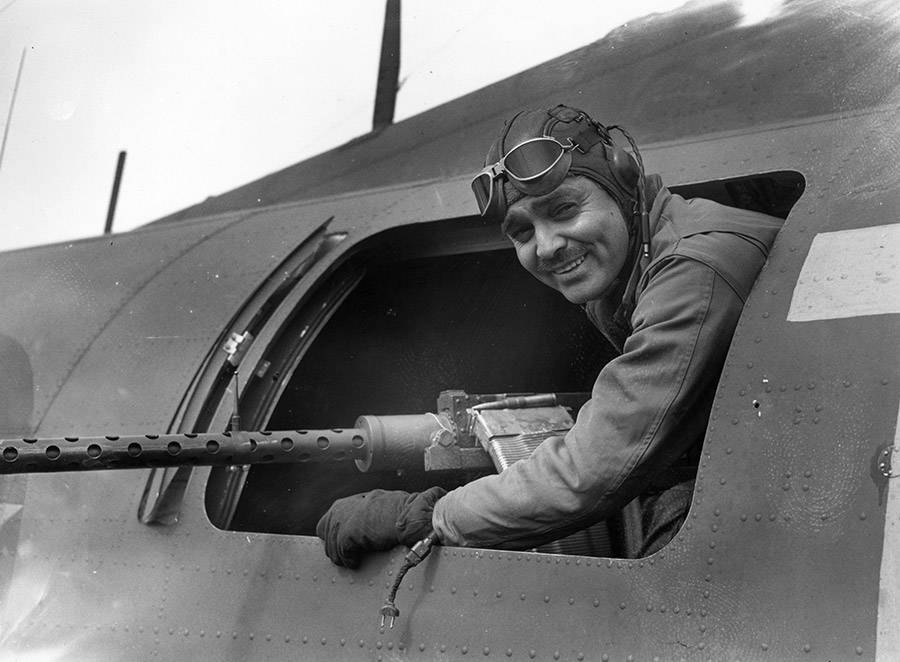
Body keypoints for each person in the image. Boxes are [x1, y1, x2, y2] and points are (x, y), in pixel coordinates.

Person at [316, 103, 783, 568]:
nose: (547, 246)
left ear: (624, 183)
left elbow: (592, 470)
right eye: (522, 233)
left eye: (564, 210)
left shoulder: (690, 271)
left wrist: (424, 517)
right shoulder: (625, 266)